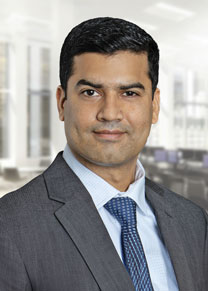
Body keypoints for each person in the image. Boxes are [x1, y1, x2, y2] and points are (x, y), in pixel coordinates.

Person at [0, 17, 207, 291]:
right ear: (62, 103)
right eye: (90, 92)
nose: (110, 112)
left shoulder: (193, 221)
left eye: (129, 93)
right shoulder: (11, 226)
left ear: (154, 106)